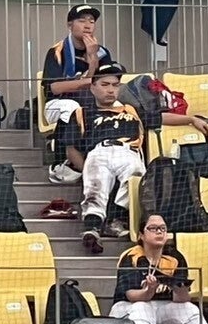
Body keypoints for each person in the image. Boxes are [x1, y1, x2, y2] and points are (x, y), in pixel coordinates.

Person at [57, 65, 145, 253]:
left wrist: (191, 120)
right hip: (98, 152)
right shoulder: (81, 113)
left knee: (135, 173)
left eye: (115, 85)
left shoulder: (131, 111)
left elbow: (162, 118)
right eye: (105, 84)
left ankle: (115, 220)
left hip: (128, 150)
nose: (111, 90)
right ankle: (92, 229)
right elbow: (70, 149)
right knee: (95, 186)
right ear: (92, 87)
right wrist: (86, 169)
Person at [41, 3, 115, 182]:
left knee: (118, 107)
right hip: (56, 104)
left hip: (90, 102)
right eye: (82, 21)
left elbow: (104, 85)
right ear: (70, 25)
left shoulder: (102, 53)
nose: (88, 25)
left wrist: (93, 59)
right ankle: (63, 161)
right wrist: (87, 82)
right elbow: (54, 88)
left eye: (92, 21)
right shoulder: (57, 52)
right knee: (73, 108)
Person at [109, 215, 205, 324]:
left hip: (161, 308)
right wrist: (149, 290)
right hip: (128, 308)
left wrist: (180, 291)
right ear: (141, 235)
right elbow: (130, 295)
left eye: (163, 228)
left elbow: (182, 299)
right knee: (142, 308)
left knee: (190, 309)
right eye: (153, 228)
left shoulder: (175, 257)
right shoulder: (131, 257)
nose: (159, 232)